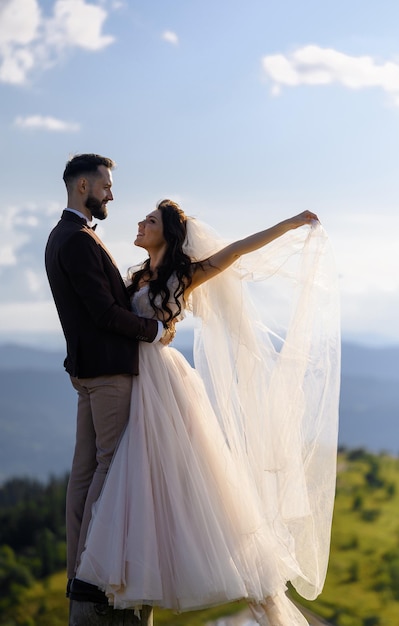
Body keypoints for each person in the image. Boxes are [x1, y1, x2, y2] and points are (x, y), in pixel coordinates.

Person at [76, 199, 341, 625]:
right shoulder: (135, 275)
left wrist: (289, 223)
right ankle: (125, 565)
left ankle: (127, 572)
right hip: (131, 374)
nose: (141, 223)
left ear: (168, 234)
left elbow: (234, 251)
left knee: (158, 471)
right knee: (136, 471)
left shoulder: (182, 276)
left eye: (151, 221)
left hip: (160, 379)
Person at [44, 154, 172, 604]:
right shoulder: (77, 240)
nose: (112, 194)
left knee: (83, 473)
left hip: (86, 371)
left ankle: (78, 568)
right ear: (83, 186)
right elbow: (102, 312)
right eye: (106, 186)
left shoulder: (61, 236)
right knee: (110, 466)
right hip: (106, 371)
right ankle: (89, 572)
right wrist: (153, 330)